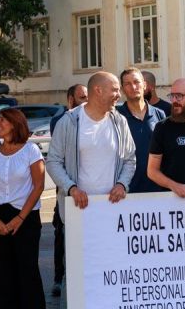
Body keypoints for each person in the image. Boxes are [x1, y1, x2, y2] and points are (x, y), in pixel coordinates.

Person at [0, 109, 52, 309]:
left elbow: (38, 186)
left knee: (27, 268)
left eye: (2, 120)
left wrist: (19, 218)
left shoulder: (31, 150)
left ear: (14, 124)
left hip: (26, 216)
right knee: (3, 269)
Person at [46, 72, 135, 225]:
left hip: (113, 210)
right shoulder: (69, 122)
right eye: (114, 90)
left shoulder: (120, 121)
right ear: (98, 90)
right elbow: (53, 162)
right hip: (77, 210)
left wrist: (122, 184)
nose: (119, 95)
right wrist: (72, 189)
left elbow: (129, 159)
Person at [48, 83, 87, 297]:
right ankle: (58, 278)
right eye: (82, 98)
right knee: (61, 235)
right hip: (67, 191)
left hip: (88, 194)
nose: (86, 102)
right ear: (70, 100)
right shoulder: (62, 121)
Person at [116, 68, 164, 194]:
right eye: (127, 84)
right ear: (122, 89)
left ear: (144, 85)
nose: (133, 86)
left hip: (157, 189)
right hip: (126, 189)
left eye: (136, 82)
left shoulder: (159, 114)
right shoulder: (116, 117)